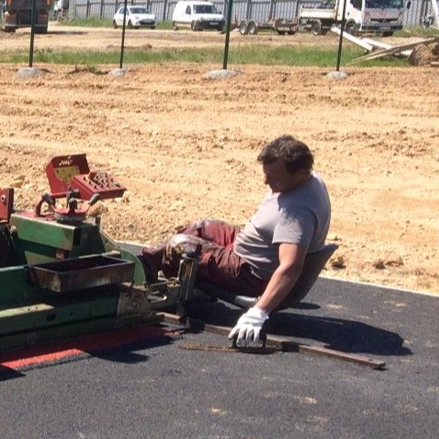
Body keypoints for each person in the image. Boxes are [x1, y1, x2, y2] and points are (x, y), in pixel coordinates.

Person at [139, 135, 331, 347]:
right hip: (247, 243)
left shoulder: (297, 214)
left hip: (247, 272)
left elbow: (291, 267)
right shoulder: (309, 180)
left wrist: (259, 312)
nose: (265, 182)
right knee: (202, 227)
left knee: (178, 247)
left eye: (274, 178)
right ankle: (147, 265)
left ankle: (145, 285)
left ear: (300, 173)